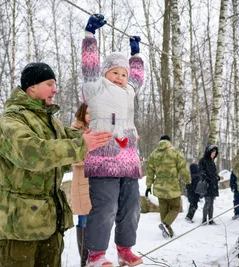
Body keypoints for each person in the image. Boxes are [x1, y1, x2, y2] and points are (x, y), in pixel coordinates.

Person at [0, 62, 112, 267]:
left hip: (51, 223)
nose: (55, 89)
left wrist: (104, 136)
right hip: (20, 226)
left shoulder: (49, 121)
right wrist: (81, 145)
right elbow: (33, 154)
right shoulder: (10, 121)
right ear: (32, 87)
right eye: (49, 83)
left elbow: (68, 138)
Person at [81, 14, 144, 267]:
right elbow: (89, 65)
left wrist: (135, 55)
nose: (120, 77)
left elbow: (138, 77)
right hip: (104, 158)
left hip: (128, 159)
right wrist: (90, 36)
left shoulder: (129, 91)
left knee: (131, 209)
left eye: (123, 73)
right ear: (105, 73)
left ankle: (124, 248)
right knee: (105, 207)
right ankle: (95, 254)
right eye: (114, 72)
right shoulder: (95, 88)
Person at [146, 134, 191, 238]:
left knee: (163, 209)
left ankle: (167, 232)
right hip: (172, 187)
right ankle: (165, 225)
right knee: (176, 207)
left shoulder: (153, 154)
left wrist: (148, 186)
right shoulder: (175, 153)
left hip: (159, 187)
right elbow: (183, 169)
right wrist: (188, 181)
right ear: (169, 141)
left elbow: (149, 172)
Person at [70, 103, 91, 267]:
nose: (90, 116)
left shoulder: (101, 128)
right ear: (82, 113)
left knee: (97, 220)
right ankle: (84, 260)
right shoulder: (75, 131)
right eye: (88, 113)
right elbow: (73, 157)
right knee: (84, 219)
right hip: (83, 181)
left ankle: (96, 257)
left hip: (98, 181)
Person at [198, 145, 220, 225]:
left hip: (213, 185)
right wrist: (206, 177)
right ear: (209, 152)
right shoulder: (203, 160)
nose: (214, 155)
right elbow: (200, 171)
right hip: (207, 185)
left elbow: (213, 171)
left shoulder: (212, 161)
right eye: (212, 153)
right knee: (208, 202)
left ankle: (211, 220)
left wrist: (217, 176)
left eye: (215, 153)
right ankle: (204, 220)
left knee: (211, 202)